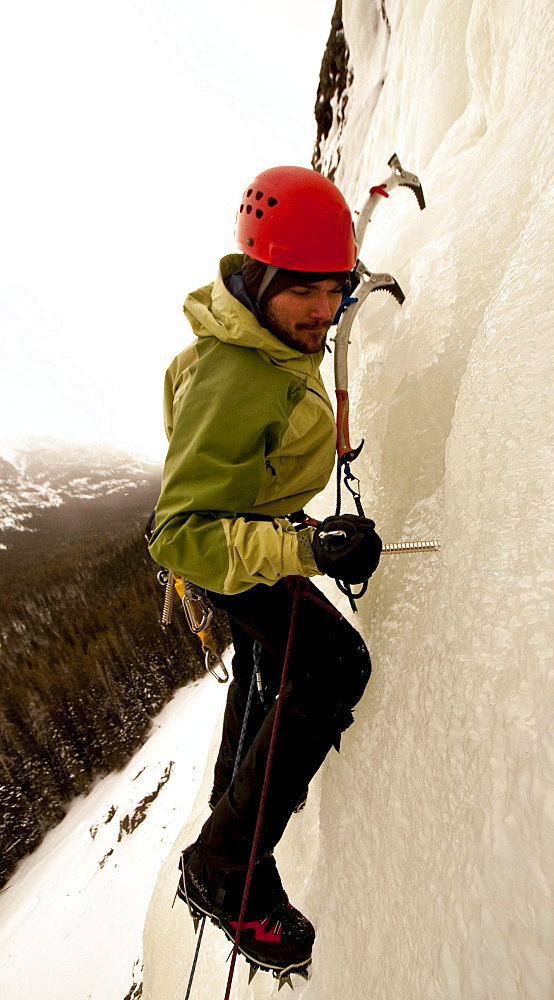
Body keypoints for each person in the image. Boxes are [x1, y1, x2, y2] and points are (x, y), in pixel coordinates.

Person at [148, 166, 382, 979]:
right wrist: (303, 550)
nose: (324, 312)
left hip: (250, 532)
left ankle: (232, 838)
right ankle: (227, 866)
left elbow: (246, 471)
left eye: (336, 289)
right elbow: (182, 531)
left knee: (264, 674)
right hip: (223, 551)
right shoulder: (234, 374)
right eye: (305, 294)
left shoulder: (267, 330)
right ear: (261, 280)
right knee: (328, 666)